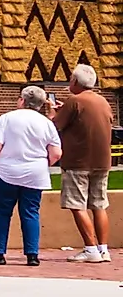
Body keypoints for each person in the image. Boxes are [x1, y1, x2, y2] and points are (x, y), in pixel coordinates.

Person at [0, 85, 64, 266]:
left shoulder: (7, 118)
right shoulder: (46, 123)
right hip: (35, 174)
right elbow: (56, 152)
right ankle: (32, 254)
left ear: (22, 100)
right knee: (30, 212)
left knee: (2, 212)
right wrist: (43, 164)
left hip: (6, 171)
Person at [53, 63, 113, 263]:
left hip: (78, 162)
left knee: (77, 205)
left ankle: (90, 249)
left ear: (76, 81)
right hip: (102, 162)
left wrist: (53, 113)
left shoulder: (74, 101)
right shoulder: (103, 101)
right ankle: (104, 250)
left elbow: (56, 126)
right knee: (99, 204)